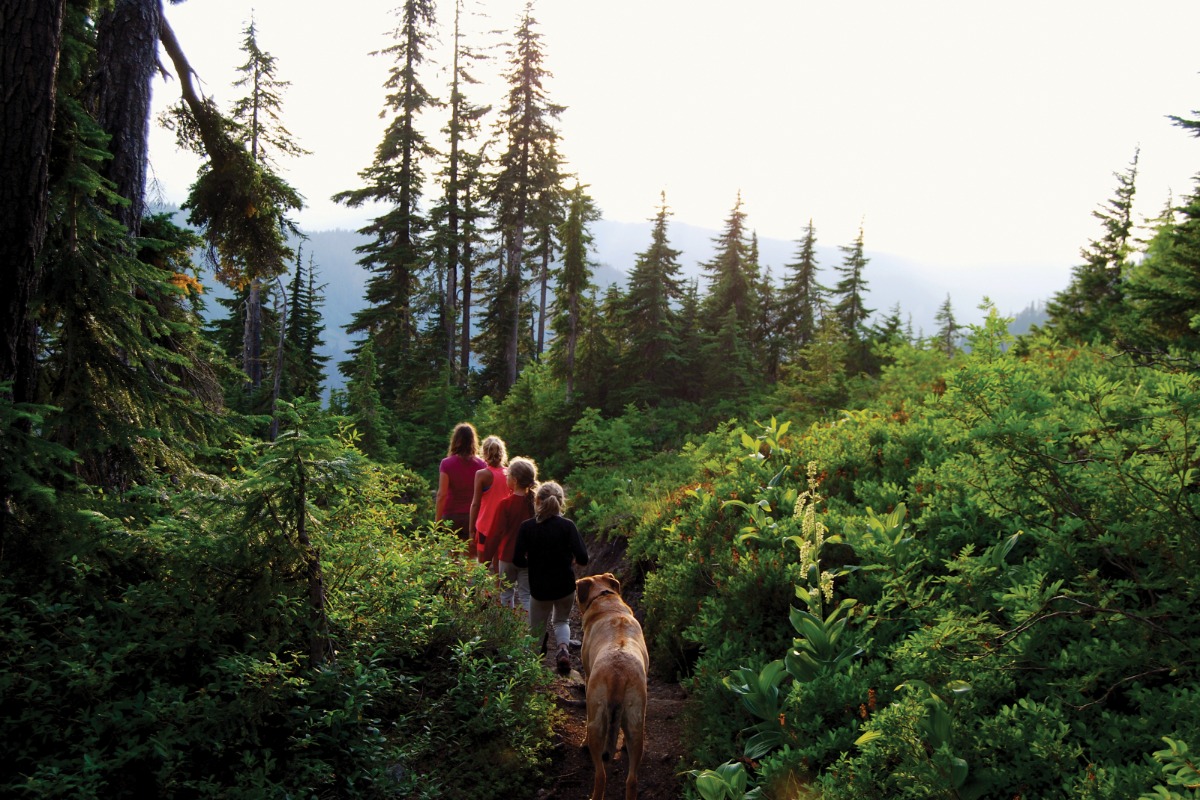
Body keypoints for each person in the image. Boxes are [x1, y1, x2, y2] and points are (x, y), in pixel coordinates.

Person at [512, 481, 588, 674]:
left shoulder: (527, 527)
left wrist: (533, 563)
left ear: (537, 500)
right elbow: (583, 558)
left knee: (537, 629)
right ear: (561, 502)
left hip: (540, 588)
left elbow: (517, 560)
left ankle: (534, 673)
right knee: (562, 621)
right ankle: (563, 649)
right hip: (565, 587)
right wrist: (570, 560)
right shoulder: (568, 526)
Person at [481, 457, 537, 610]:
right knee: (526, 595)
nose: (506, 477)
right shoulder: (535, 505)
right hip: (528, 558)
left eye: (508, 475)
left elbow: (495, 535)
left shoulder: (505, 505)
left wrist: (486, 559)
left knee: (506, 593)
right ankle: (532, 631)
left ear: (515, 480)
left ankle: (509, 630)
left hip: (507, 556)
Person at [435, 422, 486, 549]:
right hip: (473, 516)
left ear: (455, 440)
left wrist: (437, 522)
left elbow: (442, 494)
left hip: (451, 515)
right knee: (471, 559)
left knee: (451, 559)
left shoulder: (446, 464)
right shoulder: (482, 465)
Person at [469, 436, 512, 564]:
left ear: (484, 453)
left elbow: (475, 504)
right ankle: (498, 585)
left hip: (485, 527)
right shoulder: (509, 474)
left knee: (483, 567)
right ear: (502, 453)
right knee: (499, 569)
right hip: (503, 526)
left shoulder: (481, 475)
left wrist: (471, 530)